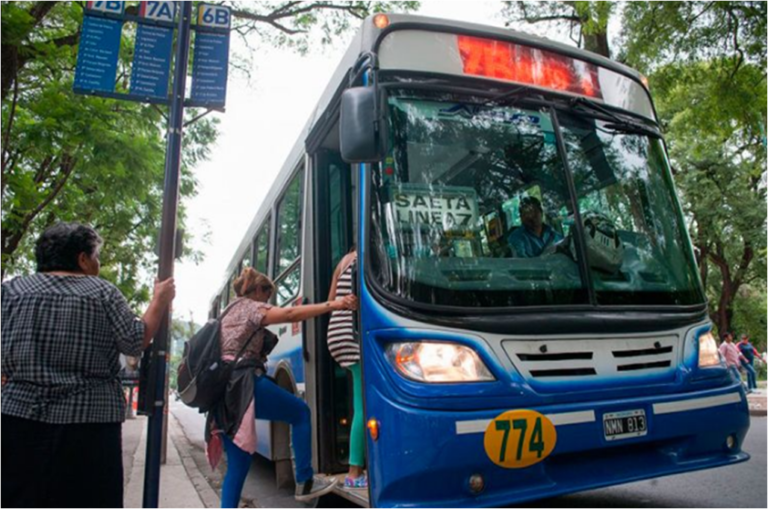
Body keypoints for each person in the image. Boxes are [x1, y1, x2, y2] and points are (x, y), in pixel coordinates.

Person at [1, 222, 175, 509]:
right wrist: (159, 300)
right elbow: (134, 341)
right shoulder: (102, 292)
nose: (98, 262)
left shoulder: (11, 291)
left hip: (18, 419)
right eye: (95, 256)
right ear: (82, 258)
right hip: (89, 425)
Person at [208, 267, 357, 508]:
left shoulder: (227, 312)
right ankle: (305, 481)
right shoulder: (252, 307)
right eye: (267, 296)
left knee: (238, 466)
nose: (268, 303)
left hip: (220, 393)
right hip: (243, 385)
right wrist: (335, 304)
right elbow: (290, 314)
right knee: (300, 413)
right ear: (258, 290)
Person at [327, 248, 367, 488]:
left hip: (336, 331)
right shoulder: (366, 255)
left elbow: (331, 300)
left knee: (360, 401)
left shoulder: (344, 260)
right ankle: (354, 472)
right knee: (364, 406)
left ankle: (357, 468)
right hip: (352, 332)